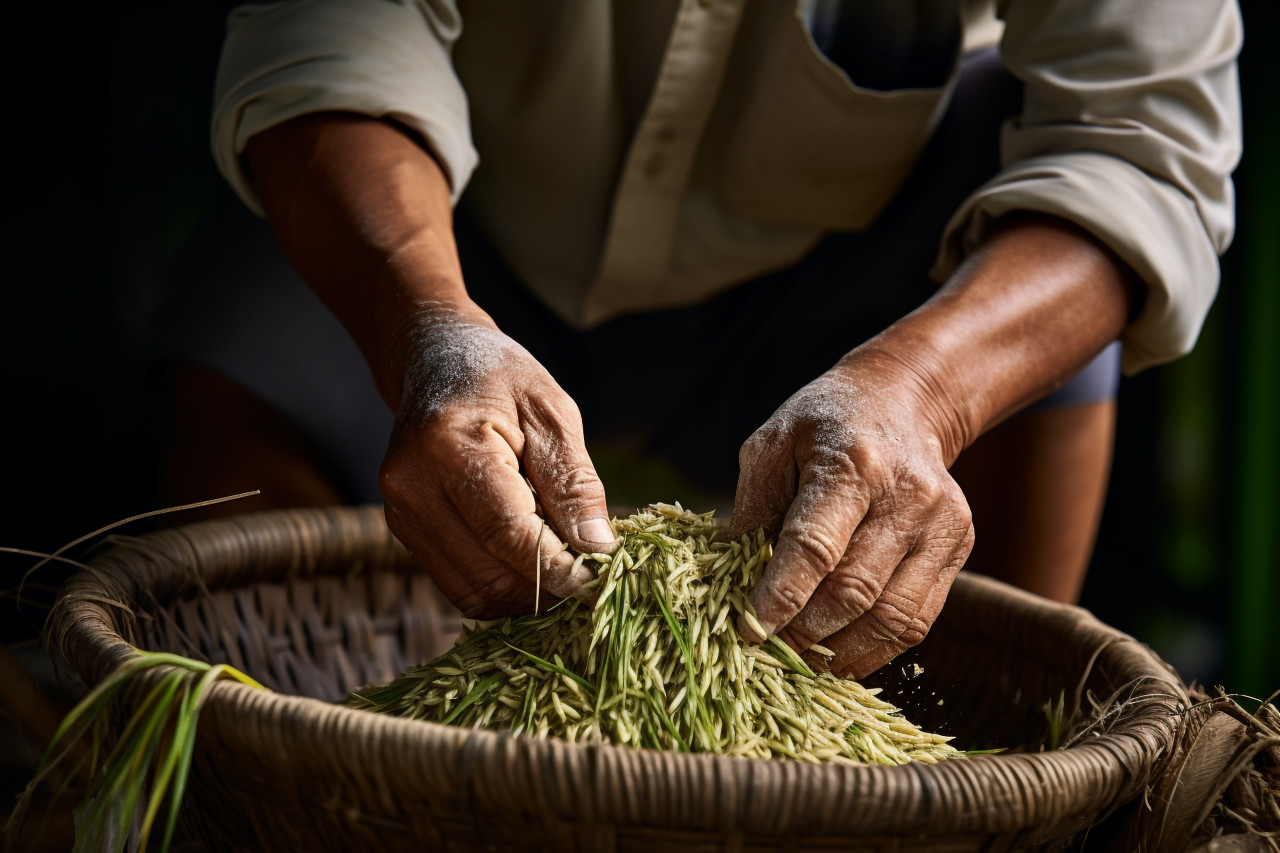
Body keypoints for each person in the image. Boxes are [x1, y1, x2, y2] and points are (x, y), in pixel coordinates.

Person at [168, 0, 1240, 679]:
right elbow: (326, 38)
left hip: (859, 296)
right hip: (453, 233)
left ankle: (967, 740)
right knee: (241, 392)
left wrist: (919, 389)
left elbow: (1136, 141)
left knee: (1032, 224)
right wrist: (426, 328)